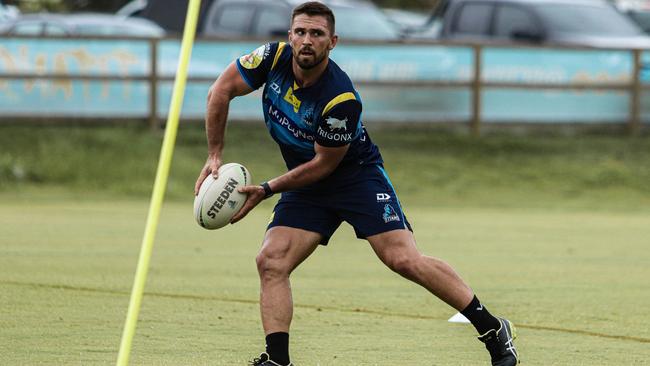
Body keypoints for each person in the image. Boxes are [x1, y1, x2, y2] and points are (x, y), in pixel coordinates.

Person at [194, 2, 519, 365]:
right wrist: (214, 155)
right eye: (300, 32)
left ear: (332, 42)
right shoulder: (271, 59)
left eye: (316, 34)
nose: (306, 40)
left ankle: (492, 329)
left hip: (354, 178)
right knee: (271, 261)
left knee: (403, 259)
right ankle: (277, 360)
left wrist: (268, 189)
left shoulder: (340, 98)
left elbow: (323, 165)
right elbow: (220, 91)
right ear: (289, 36)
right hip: (307, 183)